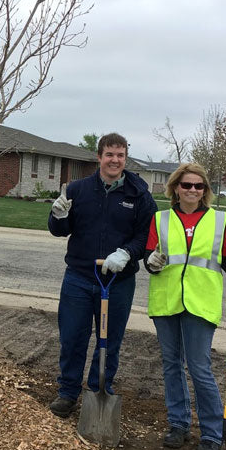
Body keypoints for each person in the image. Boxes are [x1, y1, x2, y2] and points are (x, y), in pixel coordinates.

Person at [144, 163, 226, 450]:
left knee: (199, 368)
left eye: (198, 186)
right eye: (186, 185)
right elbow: (150, 259)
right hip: (166, 301)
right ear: (176, 187)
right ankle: (178, 425)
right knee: (171, 365)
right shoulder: (160, 219)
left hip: (200, 304)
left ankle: (211, 433)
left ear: (205, 190)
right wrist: (151, 262)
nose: (192, 190)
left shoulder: (220, 220)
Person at [47, 132, 157, 418]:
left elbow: (147, 234)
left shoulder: (139, 193)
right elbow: (60, 230)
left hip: (118, 281)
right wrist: (57, 215)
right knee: (72, 338)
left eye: (120, 155)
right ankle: (68, 392)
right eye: (109, 154)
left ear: (125, 158)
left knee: (109, 341)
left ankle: (99, 390)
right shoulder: (78, 190)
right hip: (80, 277)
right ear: (99, 157)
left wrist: (126, 253)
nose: (115, 160)